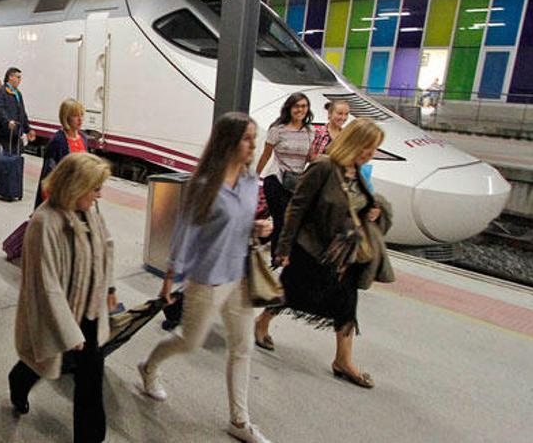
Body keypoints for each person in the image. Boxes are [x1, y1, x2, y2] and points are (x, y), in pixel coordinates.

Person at [137, 112, 274, 443]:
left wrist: (258, 227)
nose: (253, 145)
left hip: (239, 276)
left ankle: (239, 421)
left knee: (243, 347)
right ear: (228, 142)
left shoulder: (250, 181)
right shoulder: (204, 185)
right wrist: (170, 277)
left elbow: (239, 224)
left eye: (254, 137)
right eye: (247, 138)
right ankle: (149, 366)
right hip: (207, 280)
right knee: (189, 341)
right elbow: (185, 233)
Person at [254, 119, 388, 389]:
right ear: (354, 143)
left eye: (374, 149)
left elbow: (357, 204)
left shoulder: (357, 171)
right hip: (312, 249)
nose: (370, 154)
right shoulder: (324, 167)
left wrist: (373, 210)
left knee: (347, 302)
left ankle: (343, 360)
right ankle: (262, 321)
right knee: (293, 292)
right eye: (367, 148)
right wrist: (284, 248)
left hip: (344, 254)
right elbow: (296, 208)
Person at [9, 152, 116, 443]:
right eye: (95, 189)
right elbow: (46, 284)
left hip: (90, 310)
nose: (100, 195)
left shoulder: (89, 212)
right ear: (76, 186)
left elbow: (105, 248)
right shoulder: (45, 222)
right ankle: (18, 382)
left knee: (91, 379)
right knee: (41, 361)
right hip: (61, 313)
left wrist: (110, 289)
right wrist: (70, 330)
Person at [255, 92, 315, 257]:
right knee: (281, 220)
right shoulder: (277, 130)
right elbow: (266, 154)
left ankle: (284, 255)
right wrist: (255, 176)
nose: (300, 110)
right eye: (297, 106)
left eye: (304, 106)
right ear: (289, 108)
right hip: (277, 179)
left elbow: (309, 157)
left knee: (293, 222)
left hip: (296, 182)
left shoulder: (310, 131)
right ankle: (277, 257)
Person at [35, 98, 88, 208]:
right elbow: (48, 174)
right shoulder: (58, 141)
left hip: (79, 196)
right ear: (66, 118)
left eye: (81, 115)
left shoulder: (83, 138)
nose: (80, 119)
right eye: (75, 116)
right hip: (62, 197)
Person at [0, 67, 36, 153]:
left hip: (16, 135)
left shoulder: (18, 93)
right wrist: (7, 122)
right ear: (10, 77)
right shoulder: (1, 91)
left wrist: (28, 129)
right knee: (3, 161)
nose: (20, 80)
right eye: (18, 77)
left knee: (15, 160)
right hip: (4, 135)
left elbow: (22, 113)